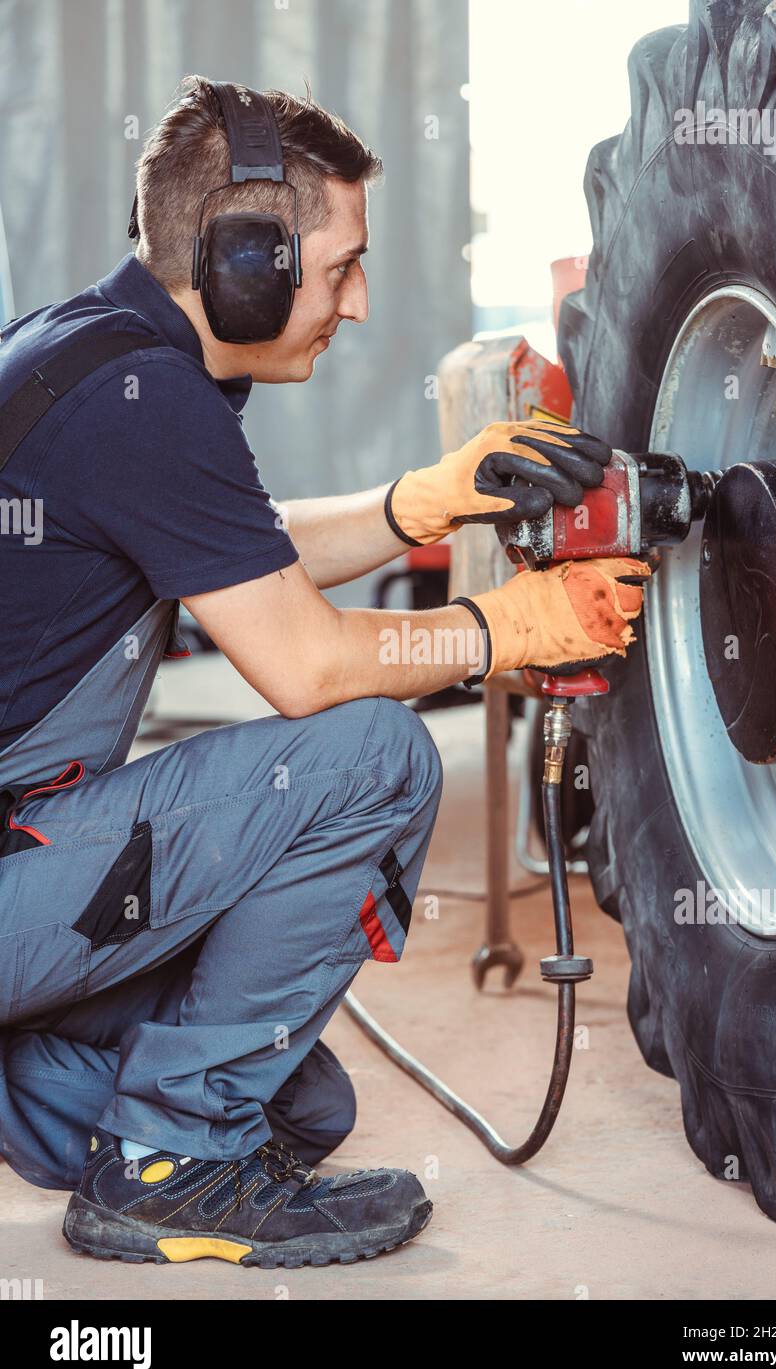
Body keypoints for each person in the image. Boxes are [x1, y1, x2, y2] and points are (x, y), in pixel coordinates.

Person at [0, 76, 648, 1268]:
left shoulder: (92, 353)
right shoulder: (145, 401)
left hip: (21, 863)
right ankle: (167, 1167)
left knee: (304, 1106)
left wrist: (420, 504)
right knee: (371, 757)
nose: (355, 303)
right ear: (243, 257)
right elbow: (303, 667)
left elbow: (230, 545)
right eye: (340, 266)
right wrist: (511, 627)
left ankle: (71, 1088)